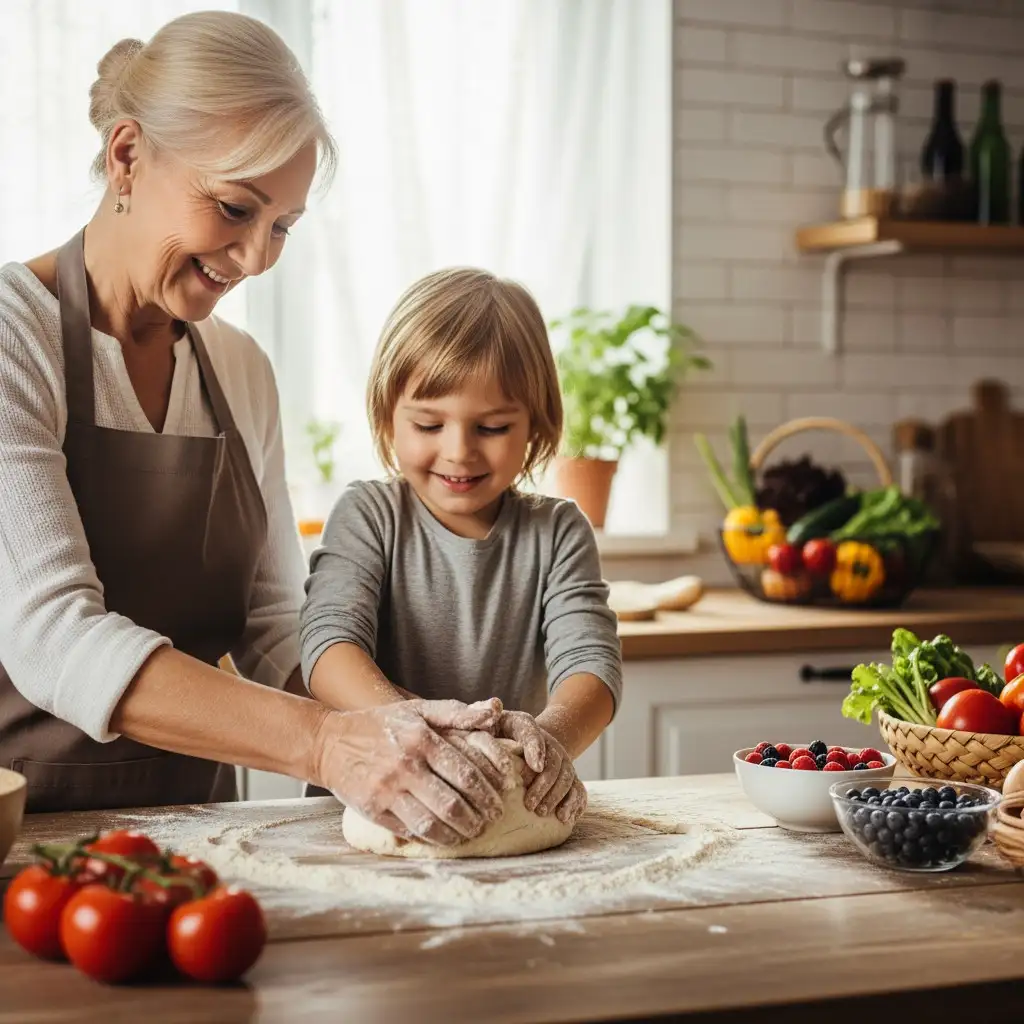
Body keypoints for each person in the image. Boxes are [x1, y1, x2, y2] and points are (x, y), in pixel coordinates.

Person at [0, 11, 522, 848]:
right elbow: (54, 637)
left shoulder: (239, 369)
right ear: (127, 155)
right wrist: (326, 743)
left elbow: (276, 620)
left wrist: (408, 728)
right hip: (24, 844)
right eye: (234, 208)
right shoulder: (10, 339)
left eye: (282, 226)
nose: (254, 258)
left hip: (207, 840)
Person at [300, 268, 623, 827]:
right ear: (387, 419)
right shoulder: (369, 515)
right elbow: (329, 646)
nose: (459, 452)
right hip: (362, 804)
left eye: (493, 427)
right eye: (428, 424)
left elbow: (590, 668)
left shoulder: (560, 531)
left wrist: (543, 743)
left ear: (535, 427)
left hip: (502, 799)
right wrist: (420, 727)